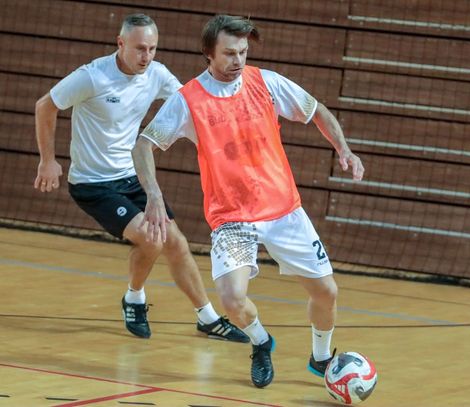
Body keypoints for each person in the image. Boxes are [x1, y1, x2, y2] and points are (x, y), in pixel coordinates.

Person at [132, 15, 364, 387]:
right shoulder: (188, 99)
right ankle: (261, 341)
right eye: (229, 53)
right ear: (209, 53)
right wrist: (154, 195)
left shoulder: (266, 83)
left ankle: (321, 358)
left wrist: (344, 149)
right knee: (231, 299)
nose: (238, 60)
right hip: (233, 218)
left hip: (284, 211)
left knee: (327, 292)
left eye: (243, 52)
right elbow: (144, 145)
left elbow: (316, 110)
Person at [33, 13, 249, 343]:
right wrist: (47, 161)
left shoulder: (156, 74)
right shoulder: (92, 77)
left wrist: (225, 139)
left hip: (130, 177)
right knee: (152, 238)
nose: (146, 56)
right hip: (93, 184)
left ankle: (207, 318)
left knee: (176, 243)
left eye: (152, 48)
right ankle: (134, 299)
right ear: (121, 44)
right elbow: (45, 106)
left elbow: (191, 106)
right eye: (139, 48)